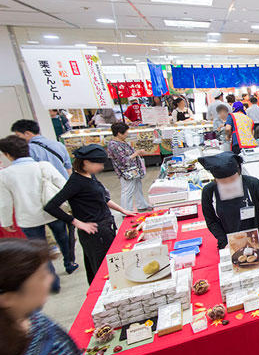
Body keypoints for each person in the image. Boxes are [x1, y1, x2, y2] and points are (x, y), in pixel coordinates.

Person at [44, 145, 135, 284]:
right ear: (86, 162)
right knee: (102, 270)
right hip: (94, 233)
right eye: (99, 163)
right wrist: (77, 222)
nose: (102, 167)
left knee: (112, 263)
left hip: (105, 227)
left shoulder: (90, 176)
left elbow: (102, 197)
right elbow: (51, 206)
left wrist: (122, 210)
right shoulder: (75, 182)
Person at [0, 135, 75, 291]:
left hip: (27, 218)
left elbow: (5, 203)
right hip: (53, 211)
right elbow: (64, 186)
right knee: (63, 237)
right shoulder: (44, 166)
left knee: (40, 250)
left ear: (7, 154)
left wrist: (6, 222)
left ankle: (53, 282)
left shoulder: (5, 175)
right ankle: (69, 263)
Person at [199, 152, 259, 250]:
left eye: (232, 180)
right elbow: (211, 221)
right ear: (215, 180)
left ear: (238, 172)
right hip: (230, 243)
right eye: (224, 182)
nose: (229, 184)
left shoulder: (252, 184)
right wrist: (224, 242)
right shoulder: (209, 192)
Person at [105, 122, 151, 213]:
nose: (127, 134)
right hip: (126, 171)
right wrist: (137, 153)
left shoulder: (121, 141)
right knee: (127, 191)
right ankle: (126, 210)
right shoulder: (114, 145)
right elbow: (123, 160)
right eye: (126, 132)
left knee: (138, 187)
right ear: (119, 133)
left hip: (134, 169)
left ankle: (142, 205)